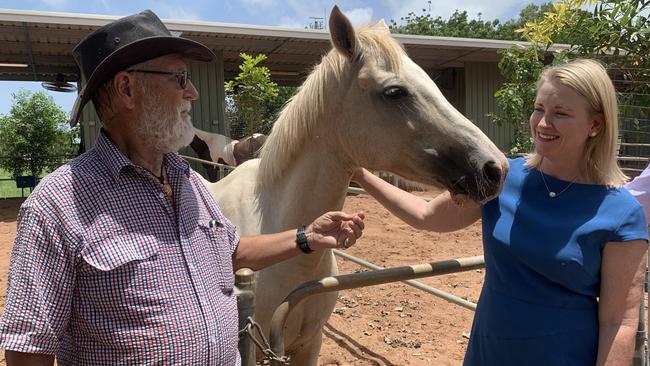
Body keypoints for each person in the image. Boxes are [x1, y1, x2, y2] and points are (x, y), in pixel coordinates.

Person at [0, 10, 364, 366]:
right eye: (179, 78)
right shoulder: (58, 204)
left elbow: (230, 251)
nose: (191, 93)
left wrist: (307, 236)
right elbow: (28, 349)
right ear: (127, 88)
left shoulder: (186, 179)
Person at [352, 58, 648, 365]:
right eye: (539, 109)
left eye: (561, 113)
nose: (544, 123)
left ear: (595, 125)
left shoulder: (621, 213)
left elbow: (619, 323)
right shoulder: (502, 177)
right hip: (488, 355)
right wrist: (361, 175)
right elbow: (426, 215)